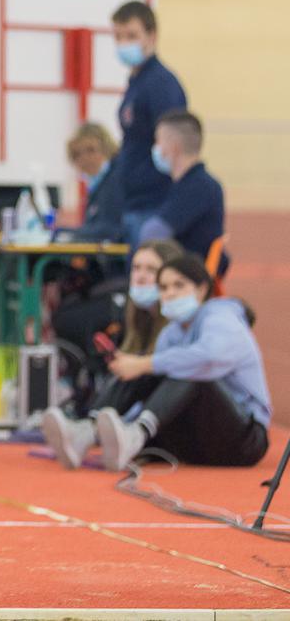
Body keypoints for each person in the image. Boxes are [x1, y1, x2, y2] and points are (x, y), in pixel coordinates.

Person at [45, 254, 270, 471]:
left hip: (244, 441)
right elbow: (157, 388)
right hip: (196, 439)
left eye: (179, 286)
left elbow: (210, 358)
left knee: (182, 370)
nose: (170, 293)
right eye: (163, 288)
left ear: (202, 289)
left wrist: (144, 363)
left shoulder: (222, 317)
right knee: (146, 371)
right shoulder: (171, 333)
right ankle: (86, 432)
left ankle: (137, 435)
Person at [47, 239, 182, 423]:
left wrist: (141, 364)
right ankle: (90, 424)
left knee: (140, 370)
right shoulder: (136, 318)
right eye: (136, 268)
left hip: (182, 414)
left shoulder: (180, 322)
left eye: (151, 270)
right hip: (153, 413)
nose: (140, 277)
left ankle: (92, 426)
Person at [111, 1, 188, 249]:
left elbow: (176, 140)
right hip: (134, 201)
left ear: (151, 36)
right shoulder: (136, 82)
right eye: (118, 36)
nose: (124, 43)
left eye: (132, 35)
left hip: (154, 201)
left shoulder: (160, 84)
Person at [140, 110, 227, 274]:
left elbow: (153, 232)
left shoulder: (199, 186)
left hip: (187, 275)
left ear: (174, 148)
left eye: (158, 141)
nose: (155, 149)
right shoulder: (186, 184)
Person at [60, 123, 124, 243]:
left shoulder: (116, 182)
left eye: (91, 150)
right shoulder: (95, 186)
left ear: (107, 148)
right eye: (76, 155)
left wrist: (66, 233)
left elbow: (110, 229)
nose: (84, 159)